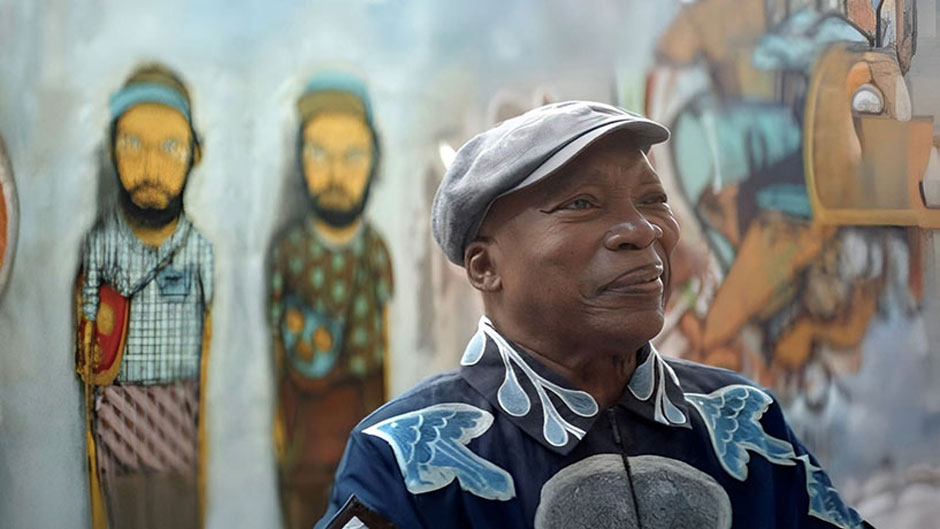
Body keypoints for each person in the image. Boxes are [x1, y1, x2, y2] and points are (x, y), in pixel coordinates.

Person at [316, 101, 872, 529]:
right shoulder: (406, 455)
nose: (644, 229)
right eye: (582, 203)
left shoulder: (744, 420)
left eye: (653, 199)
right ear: (485, 266)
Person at [76, 63, 213, 529]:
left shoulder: (199, 252)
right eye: (133, 144)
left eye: (169, 146)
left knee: (176, 508)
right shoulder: (101, 245)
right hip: (117, 411)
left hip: (179, 410)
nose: (150, 167)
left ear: (195, 154)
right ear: (111, 149)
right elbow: (88, 317)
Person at [269, 71, 394, 528]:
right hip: (304, 449)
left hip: (367, 446)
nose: (336, 173)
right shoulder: (289, 252)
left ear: (373, 160)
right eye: (319, 153)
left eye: (353, 155)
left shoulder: (375, 250)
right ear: (299, 159)